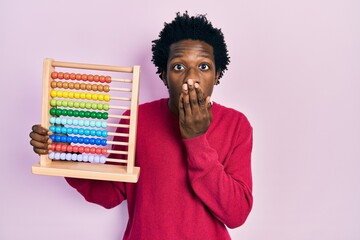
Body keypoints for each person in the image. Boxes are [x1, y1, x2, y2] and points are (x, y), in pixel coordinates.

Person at [30, 12, 253, 240]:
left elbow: (236, 214)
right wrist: (65, 152)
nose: (190, 79)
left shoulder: (237, 125)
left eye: (204, 67)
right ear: (164, 75)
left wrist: (196, 140)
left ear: (217, 75)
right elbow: (110, 194)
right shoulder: (135, 120)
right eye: (178, 67)